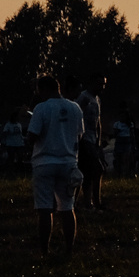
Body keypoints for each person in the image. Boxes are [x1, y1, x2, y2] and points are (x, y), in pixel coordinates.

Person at [27, 74, 85, 255]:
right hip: (68, 162)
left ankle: (45, 250)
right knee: (67, 208)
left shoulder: (41, 108)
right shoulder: (75, 108)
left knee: (45, 209)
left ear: (44, 89)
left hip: (44, 162)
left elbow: (32, 136)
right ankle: (69, 248)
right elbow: (80, 134)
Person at [76, 75, 106, 210]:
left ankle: (89, 202)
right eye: (100, 84)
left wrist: (99, 141)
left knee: (88, 173)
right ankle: (94, 201)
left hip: (93, 140)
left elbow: (98, 121)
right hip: (85, 139)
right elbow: (76, 115)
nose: (102, 87)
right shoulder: (84, 97)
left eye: (104, 84)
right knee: (97, 169)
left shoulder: (97, 99)